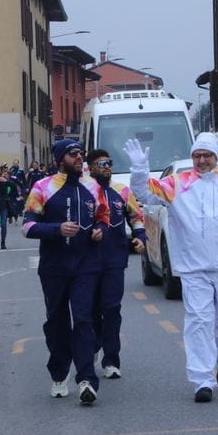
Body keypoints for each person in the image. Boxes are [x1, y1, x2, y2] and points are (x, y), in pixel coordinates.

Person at [123, 132, 218, 403]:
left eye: (207, 155)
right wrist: (139, 169)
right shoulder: (178, 183)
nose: (201, 160)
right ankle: (202, 380)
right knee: (199, 321)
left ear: (216, 157)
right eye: (197, 155)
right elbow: (144, 193)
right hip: (193, 267)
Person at [23, 139, 109, 405]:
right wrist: (56, 229)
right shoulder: (43, 187)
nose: (79, 158)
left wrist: (100, 231)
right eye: (73, 154)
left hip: (86, 266)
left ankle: (86, 379)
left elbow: (103, 218)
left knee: (83, 320)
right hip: (54, 268)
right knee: (57, 323)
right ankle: (59, 374)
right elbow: (27, 226)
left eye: (81, 154)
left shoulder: (93, 186)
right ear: (61, 159)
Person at [86, 148, 147, 380]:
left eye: (109, 163)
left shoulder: (122, 190)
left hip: (114, 258)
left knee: (111, 309)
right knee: (91, 310)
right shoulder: (83, 190)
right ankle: (93, 347)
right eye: (102, 164)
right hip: (88, 260)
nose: (107, 167)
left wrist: (140, 237)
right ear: (91, 168)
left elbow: (136, 217)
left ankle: (111, 360)